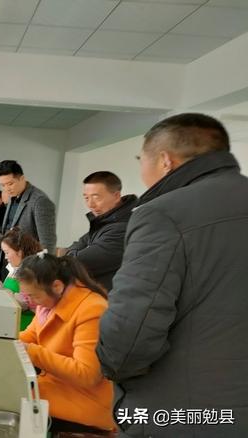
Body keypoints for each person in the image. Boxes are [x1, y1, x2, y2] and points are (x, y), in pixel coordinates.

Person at [97, 113, 248, 437]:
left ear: (165, 161)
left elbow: (130, 336)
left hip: (181, 413)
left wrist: (109, 365)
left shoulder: (162, 214)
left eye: (141, 159)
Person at [17, 252, 114, 434]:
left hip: (84, 401)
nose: (31, 302)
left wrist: (31, 352)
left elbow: (87, 374)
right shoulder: (48, 303)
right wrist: (0, 339)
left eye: (34, 296)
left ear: (57, 286)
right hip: (57, 388)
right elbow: (30, 335)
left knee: (6, 399)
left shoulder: (92, 309)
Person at [64, 171, 137, 290]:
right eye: (86, 198)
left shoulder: (122, 228)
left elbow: (76, 264)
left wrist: (71, 253)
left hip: (108, 297)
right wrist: (73, 252)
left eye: (96, 197)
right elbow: (78, 243)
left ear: (116, 196)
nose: (90, 204)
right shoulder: (104, 222)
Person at [0, 160, 56, 279]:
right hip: (9, 264)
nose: (7, 188)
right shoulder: (13, 196)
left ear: (22, 178)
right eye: (3, 185)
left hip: (28, 270)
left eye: (10, 183)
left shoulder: (40, 201)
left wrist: (41, 275)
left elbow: (48, 242)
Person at [0, 228, 41, 330]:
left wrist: (0, 290)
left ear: (20, 252)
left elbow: (24, 302)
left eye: (7, 252)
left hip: (23, 327)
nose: (5, 257)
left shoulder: (31, 272)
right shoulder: (15, 268)